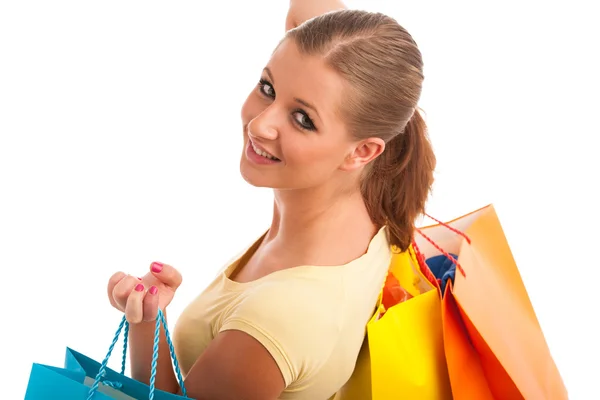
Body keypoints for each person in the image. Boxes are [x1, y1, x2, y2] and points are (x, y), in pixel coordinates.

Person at [106, 0, 435, 398]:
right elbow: (309, 13)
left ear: (363, 151)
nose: (260, 124)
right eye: (268, 88)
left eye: (303, 119)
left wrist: (145, 325)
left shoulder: (274, 322)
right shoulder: (371, 202)